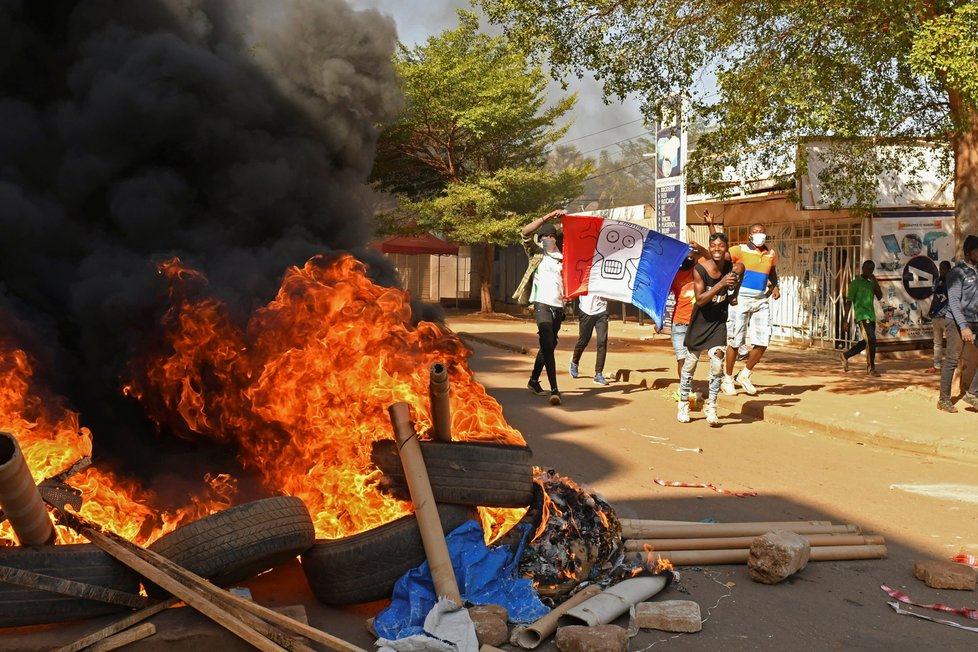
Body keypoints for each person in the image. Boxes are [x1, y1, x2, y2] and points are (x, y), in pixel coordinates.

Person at [678, 232, 741, 426]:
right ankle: (683, 403)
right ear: (709, 247)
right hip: (700, 323)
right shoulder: (700, 269)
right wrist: (721, 284)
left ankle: (712, 406)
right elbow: (701, 300)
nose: (716, 249)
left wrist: (733, 295)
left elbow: (742, 269)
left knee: (716, 364)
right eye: (713, 246)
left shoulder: (731, 267)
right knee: (690, 365)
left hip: (718, 324)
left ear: (726, 248)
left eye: (721, 246)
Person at [722, 223, 780, 396]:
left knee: (763, 339)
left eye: (762, 232)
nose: (759, 235)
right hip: (740, 299)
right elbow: (722, 257)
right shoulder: (739, 250)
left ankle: (745, 374)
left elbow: (772, 271)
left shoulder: (770, 254)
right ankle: (728, 379)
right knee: (736, 340)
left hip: (761, 300)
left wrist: (775, 286)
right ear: (750, 236)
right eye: (755, 232)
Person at [514, 210, 565, 406]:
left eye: (550, 236)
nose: (546, 239)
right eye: (543, 237)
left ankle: (533, 380)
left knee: (548, 345)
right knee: (547, 342)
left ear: (555, 238)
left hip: (558, 307)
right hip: (541, 304)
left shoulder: (564, 257)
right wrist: (547, 217)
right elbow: (524, 233)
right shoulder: (536, 254)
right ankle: (555, 389)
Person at [937, 235, 978, 413]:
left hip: (975, 319)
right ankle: (944, 400)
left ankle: (973, 393)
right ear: (968, 252)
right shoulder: (957, 272)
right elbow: (953, 301)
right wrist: (963, 326)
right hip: (956, 320)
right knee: (952, 360)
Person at [839, 260, 883, 376]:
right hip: (862, 316)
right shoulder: (855, 283)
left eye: (871, 269)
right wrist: (845, 320)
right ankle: (871, 368)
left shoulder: (871, 283)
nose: (869, 271)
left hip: (871, 316)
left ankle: (845, 355)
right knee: (872, 340)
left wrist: (875, 282)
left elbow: (879, 296)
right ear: (863, 268)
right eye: (867, 268)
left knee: (866, 342)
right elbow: (848, 302)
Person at [569, 292, 610, 385]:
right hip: (586, 310)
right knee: (584, 340)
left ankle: (598, 374)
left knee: (602, 342)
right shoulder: (584, 276)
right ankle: (574, 361)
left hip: (602, 310)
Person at [927, 260, 952, 373]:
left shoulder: (952, 282)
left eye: (944, 269)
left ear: (949, 270)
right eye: (940, 269)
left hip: (947, 317)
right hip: (936, 316)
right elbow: (935, 297)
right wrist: (931, 310)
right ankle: (936, 365)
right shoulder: (937, 281)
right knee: (937, 342)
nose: (942, 271)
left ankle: (951, 366)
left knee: (951, 342)